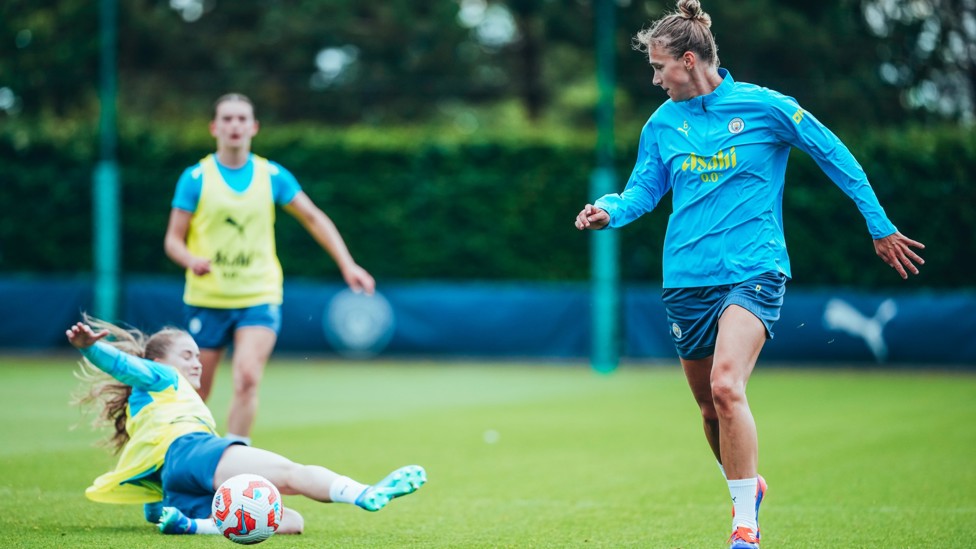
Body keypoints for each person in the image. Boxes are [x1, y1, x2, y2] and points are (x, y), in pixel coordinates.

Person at [573, 1, 925, 547]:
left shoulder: (765, 107)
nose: (655, 77)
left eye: (659, 66)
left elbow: (834, 154)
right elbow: (643, 190)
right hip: (686, 279)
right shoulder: (662, 124)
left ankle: (744, 525)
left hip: (754, 270)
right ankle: (748, 486)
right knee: (709, 409)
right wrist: (608, 210)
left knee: (726, 385)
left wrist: (879, 226)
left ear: (689, 60)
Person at [67, 315, 426, 536]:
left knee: (291, 521)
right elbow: (126, 367)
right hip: (193, 451)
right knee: (290, 473)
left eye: (197, 355)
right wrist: (92, 349)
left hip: (176, 482)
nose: (197, 363)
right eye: (187, 355)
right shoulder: (161, 377)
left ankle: (194, 527)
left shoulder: (153, 403)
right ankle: (363, 492)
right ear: (159, 361)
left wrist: (163, 508)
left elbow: (152, 505)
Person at [163, 93, 376, 445]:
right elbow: (173, 240)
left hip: (258, 294)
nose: (235, 126)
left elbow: (313, 217)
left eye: (242, 119)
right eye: (227, 119)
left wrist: (347, 263)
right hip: (208, 298)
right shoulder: (196, 178)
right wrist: (190, 260)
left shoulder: (272, 175)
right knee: (196, 390)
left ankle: (234, 458)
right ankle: (183, 461)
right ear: (215, 127)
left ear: (254, 127)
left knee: (247, 378)